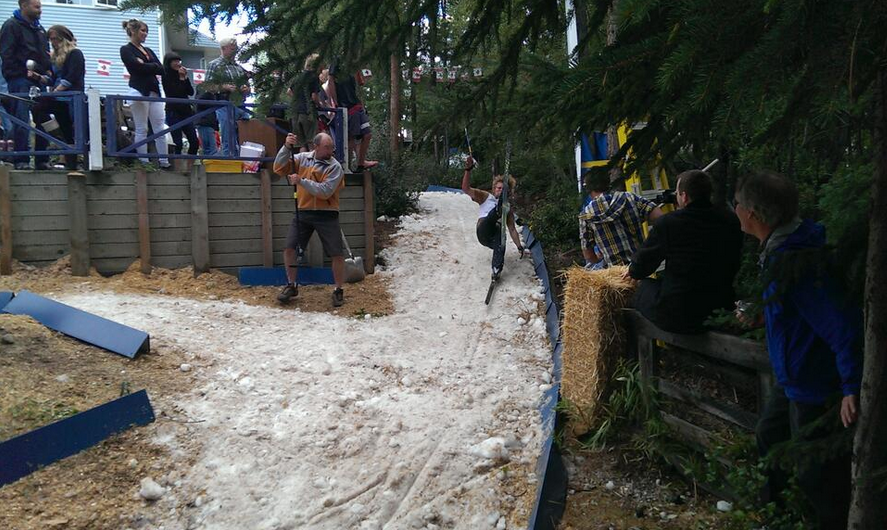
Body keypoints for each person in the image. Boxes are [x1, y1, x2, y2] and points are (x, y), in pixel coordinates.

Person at [733, 170, 861, 529]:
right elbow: (797, 314)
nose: (736, 210)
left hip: (816, 384)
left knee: (818, 477)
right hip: (793, 378)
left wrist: (851, 385)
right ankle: (777, 517)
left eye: (739, 204)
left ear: (753, 216)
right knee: (769, 438)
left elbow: (841, 323)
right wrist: (763, 317)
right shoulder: (779, 250)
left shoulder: (797, 261)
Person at [626, 169, 743, 333]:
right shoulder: (730, 220)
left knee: (639, 288)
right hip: (720, 306)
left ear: (684, 196)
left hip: (680, 315)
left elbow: (640, 268)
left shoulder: (669, 224)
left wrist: (632, 270)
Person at [272, 132, 347, 307]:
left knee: (336, 253)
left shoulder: (335, 167)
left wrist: (301, 181)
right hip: (303, 211)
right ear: (316, 146)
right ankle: (291, 285)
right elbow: (279, 167)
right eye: (327, 147)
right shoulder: (302, 158)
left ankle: (338, 289)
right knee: (290, 247)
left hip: (327, 213)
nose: (330, 151)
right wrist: (286, 147)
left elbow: (325, 191)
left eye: (331, 147)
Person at [0, 0, 52, 170]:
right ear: (24, 6)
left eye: (40, 7)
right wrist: (20, 73)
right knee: (21, 120)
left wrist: (47, 72)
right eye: (36, 7)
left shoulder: (39, 29)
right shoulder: (11, 26)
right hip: (20, 80)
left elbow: (45, 54)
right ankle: (21, 159)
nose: (40, 10)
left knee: (44, 121)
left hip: (39, 81)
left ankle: (42, 159)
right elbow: (7, 54)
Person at [579, 169, 665, 269]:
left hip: (616, 276)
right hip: (640, 267)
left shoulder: (585, 215)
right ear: (608, 182)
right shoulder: (629, 197)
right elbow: (659, 216)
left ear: (588, 189)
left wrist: (597, 258)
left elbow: (588, 255)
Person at [461, 155, 524, 277]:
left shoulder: (509, 210)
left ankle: (496, 268)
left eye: (504, 190)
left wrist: (519, 247)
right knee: (494, 216)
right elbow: (465, 188)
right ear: (494, 189)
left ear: (508, 192)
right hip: (483, 230)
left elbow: (512, 229)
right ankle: (497, 209)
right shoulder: (485, 196)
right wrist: (468, 170)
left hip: (493, 237)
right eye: (499, 188)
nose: (500, 190)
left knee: (502, 238)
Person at [119, 18, 169, 169]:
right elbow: (134, 67)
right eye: (142, 30)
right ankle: (143, 161)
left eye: (146, 31)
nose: (145, 34)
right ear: (133, 31)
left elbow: (161, 69)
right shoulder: (126, 49)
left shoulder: (148, 51)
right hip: (138, 89)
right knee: (142, 128)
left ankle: (164, 161)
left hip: (154, 90)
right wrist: (149, 66)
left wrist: (146, 64)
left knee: (160, 127)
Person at [326, 60, 377, 172]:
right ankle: (346, 167)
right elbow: (330, 82)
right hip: (346, 106)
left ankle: (361, 163)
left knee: (367, 134)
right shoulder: (337, 62)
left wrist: (362, 104)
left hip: (357, 105)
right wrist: (334, 103)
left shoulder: (354, 66)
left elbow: (359, 86)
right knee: (351, 138)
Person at [45, 24, 84, 170]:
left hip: (71, 97)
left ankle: (73, 163)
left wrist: (57, 90)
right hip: (59, 97)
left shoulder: (75, 53)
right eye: (51, 39)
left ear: (63, 39)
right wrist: (41, 78)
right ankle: (63, 153)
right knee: (40, 112)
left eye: (55, 39)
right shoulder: (55, 57)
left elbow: (72, 76)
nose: (53, 42)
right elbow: (53, 78)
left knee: (72, 131)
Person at [204, 37, 250, 156]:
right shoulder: (214, 65)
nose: (235, 52)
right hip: (224, 104)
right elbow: (208, 86)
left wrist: (246, 89)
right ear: (223, 49)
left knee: (245, 135)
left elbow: (247, 86)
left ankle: (244, 161)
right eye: (232, 49)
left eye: (236, 49)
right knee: (228, 136)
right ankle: (229, 163)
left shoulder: (238, 67)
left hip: (240, 104)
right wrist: (224, 87)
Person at [161, 52, 198, 156]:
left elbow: (190, 92)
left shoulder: (181, 74)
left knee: (194, 141)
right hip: (173, 111)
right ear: (169, 63)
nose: (178, 64)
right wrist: (181, 79)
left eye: (179, 61)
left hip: (186, 111)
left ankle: (190, 164)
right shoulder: (166, 75)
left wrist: (185, 78)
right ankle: (178, 166)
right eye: (175, 61)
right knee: (178, 143)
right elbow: (175, 93)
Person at [288, 53, 321, 152]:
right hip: (308, 113)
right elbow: (314, 97)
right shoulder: (314, 77)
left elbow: (289, 91)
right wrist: (320, 105)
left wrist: (297, 99)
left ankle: (302, 167)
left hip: (295, 113)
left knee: (301, 144)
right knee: (311, 142)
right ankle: (312, 167)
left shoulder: (298, 77)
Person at [194, 89, 218, 156]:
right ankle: (211, 165)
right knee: (211, 149)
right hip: (205, 123)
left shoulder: (213, 95)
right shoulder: (204, 93)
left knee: (209, 149)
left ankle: (209, 164)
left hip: (207, 123)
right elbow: (199, 102)